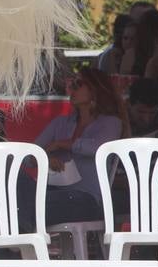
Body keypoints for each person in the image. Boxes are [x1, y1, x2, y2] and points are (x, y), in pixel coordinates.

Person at [19, 67, 129, 233]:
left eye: (78, 84)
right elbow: (28, 156)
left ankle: (18, 239)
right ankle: (20, 236)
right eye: (71, 84)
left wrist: (61, 144)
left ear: (94, 89)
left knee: (20, 205)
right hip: (51, 194)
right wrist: (45, 159)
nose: (71, 89)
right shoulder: (60, 123)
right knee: (13, 178)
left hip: (87, 199)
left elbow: (98, 148)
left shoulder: (110, 122)